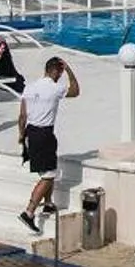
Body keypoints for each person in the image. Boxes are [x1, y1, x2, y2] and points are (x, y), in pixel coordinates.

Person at [17, 55, 79, 236]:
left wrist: (21, 135)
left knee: (48, 169)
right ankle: (29, 212)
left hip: (31, 132)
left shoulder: (30, 87)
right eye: (60, 72)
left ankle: (49, 203)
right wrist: (69, 70)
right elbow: (75, 91)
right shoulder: (55, 88)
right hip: (44, 134)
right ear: (56, 71)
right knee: (48, 176)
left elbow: (22, 116)